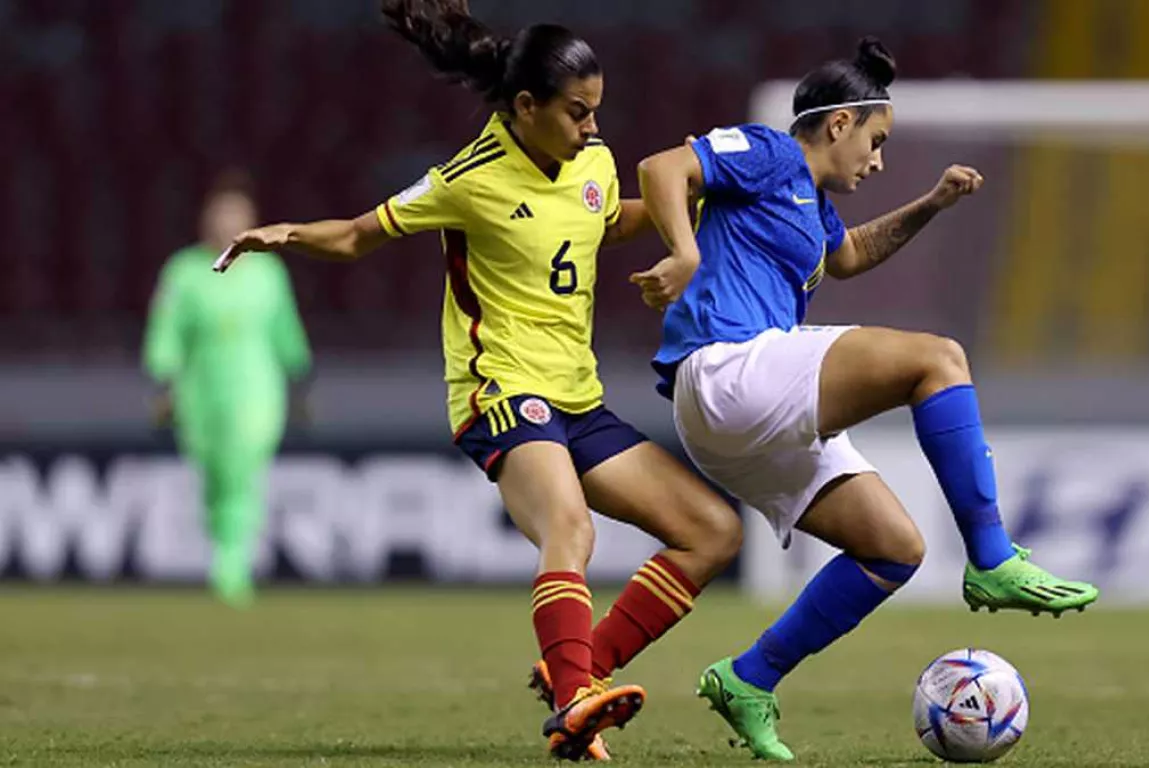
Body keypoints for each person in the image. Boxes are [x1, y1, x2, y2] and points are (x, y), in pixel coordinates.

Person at [214, 0, 742, 760]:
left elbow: (603, 217)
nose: (593, 128)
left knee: (711, 533)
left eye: (597, 111)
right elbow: (361, 235)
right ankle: (573, 701)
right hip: (499, 393)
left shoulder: (591, 163)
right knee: (571, 528)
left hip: (576, 399)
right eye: (577, 112)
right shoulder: (470, 178)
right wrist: (287, 235)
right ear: (525, 107)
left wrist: (694, 201)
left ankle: (578, 672)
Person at [631, 38, 1100, 761]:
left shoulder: (811, 210)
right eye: (876, 141)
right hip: (726, 368)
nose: (877, 161)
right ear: (840, 123)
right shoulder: (769, 152)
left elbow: (847, 257)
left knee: (893, 549)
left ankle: (748, 678)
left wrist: (933, 205)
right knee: (937, 359)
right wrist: (685, 251)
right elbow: (663, 166)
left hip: (739, 421)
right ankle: (993, 557)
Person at [143, 170, 312, 608]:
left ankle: (232, 565)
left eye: (236, 215)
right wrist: (164, 383)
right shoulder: (183, 272)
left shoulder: (268, 272)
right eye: (221, 214)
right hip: (199, 390)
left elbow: (285, 332)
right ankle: (226, 552)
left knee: (241, 470)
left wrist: (299, 382)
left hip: (256, 386)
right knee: (215, 476)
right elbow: (167, 332)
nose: (227, 223)